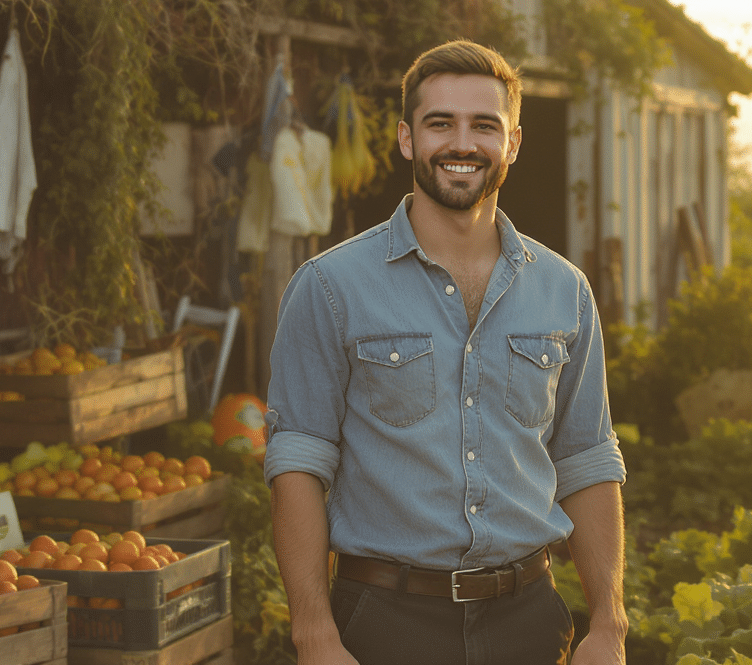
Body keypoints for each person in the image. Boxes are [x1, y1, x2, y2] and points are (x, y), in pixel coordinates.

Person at [263, 39, 627, 665]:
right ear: (407, 139)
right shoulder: (329, 286)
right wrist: (315, 634)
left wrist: (609, 625)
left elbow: (587, 458)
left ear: (513, 142)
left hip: (529, 621)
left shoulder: (563, 288)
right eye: (441, 123)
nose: (462, 144)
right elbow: (297, 464)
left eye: (484, 125)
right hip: (382, 622)